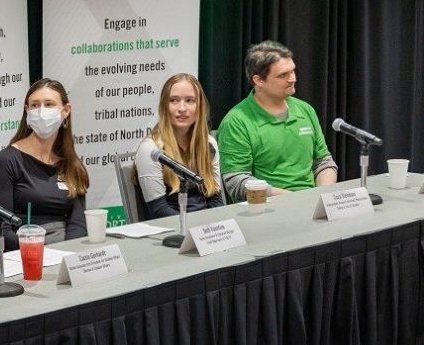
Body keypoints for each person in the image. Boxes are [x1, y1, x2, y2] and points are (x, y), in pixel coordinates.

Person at [218, 40, 337, 202]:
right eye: (283, 75)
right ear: (259, 80)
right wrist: (293, 200)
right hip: (266, 209)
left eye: (293, 71)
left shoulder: (305, 110)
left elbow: (323, 162)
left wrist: (322, 197)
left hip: (309, 203)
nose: (292, 79)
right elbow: (236, 180)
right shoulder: (237, 121)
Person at [0, 78, 89, 250]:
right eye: (34, 105)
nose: (41, 111)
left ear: (66, 110)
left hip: (64, 250)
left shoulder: (71, 163)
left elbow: (78, 224)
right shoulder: (7, 160)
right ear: (27, 111)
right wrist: (39, 252)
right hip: (23, 252)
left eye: (49, 104)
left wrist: (68, 253)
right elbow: (2, 229)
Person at [134, 73, 224, 219]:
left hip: (206, 230)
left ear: (199, 107)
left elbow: (215, 199)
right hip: (172, 231)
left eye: (190, 101)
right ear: (164, 107)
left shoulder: (209, 144)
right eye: (174, 101)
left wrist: (211, 229)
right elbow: (159, 210)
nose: (182, 108)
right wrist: (195, 230)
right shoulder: (151, 150)